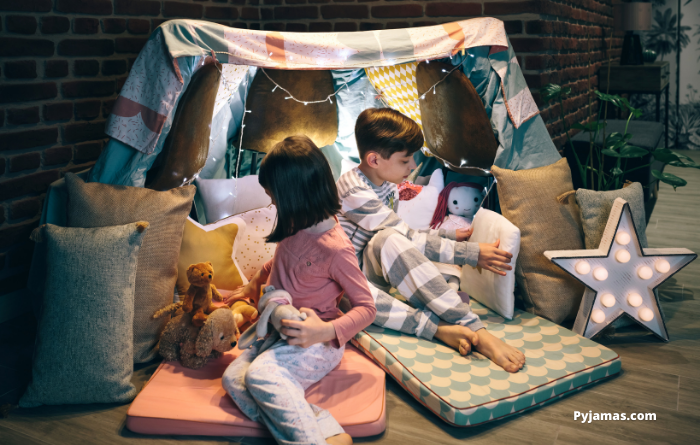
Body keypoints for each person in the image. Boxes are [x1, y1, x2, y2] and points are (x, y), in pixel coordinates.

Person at [337, 108, 525, 373]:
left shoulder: (388, 187)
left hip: (368, 267)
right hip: (341, 279)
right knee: (353, 299)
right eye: (405, 160)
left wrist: (447, 235)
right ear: (374, 160)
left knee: (389, 239)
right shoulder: (353, 191)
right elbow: (409, 238)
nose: (414, 166)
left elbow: (402, 234)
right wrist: (468, 253)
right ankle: (437, 328)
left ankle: (470, 325)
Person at [222, 135, 376, 445]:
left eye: (273, 196)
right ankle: (325, 430)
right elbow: (277, 264)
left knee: (260, 377)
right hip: (278, 332)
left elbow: (366, 308)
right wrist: (246, 289)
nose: (272, 203)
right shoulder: (295, 224)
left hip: (315, 342)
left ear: (295, 194)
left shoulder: (336, 249)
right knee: (233, 380)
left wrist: (322, 332)